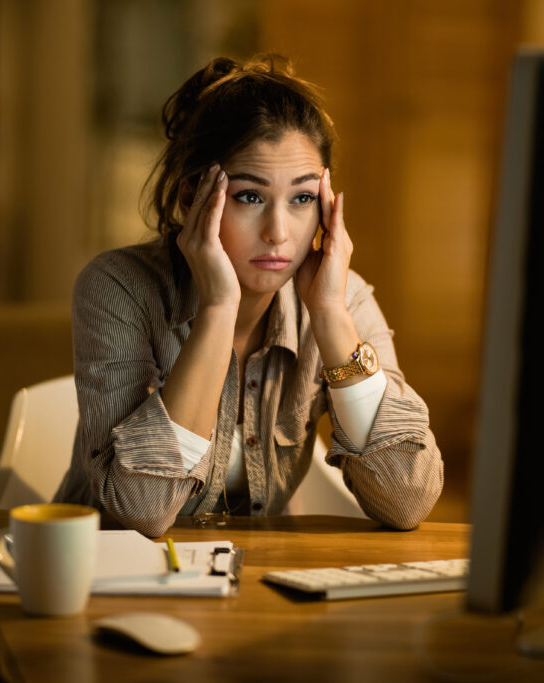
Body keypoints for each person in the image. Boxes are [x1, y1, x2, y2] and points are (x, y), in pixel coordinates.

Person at [53, 54, 443, 537]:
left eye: (302, 198)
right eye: (250, 197)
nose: (279, 232)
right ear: (192, 198)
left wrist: (329, 317)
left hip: (253, 583)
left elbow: (408, 499)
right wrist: (218, 311)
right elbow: (143, 511)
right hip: (100, 572)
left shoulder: (343, 299)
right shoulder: (118, 288)